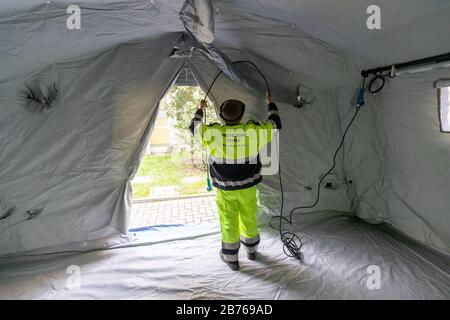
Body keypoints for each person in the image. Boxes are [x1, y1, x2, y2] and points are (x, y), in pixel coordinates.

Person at [189, 93, 282, 271]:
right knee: (249, 216)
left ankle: (231, 259)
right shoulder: (253, 132)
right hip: (248, 187)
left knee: (228, 221)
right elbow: (276, 124)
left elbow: (194, 127)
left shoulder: (212, 133)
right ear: (241, 116)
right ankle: (252, 250)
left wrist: (200, 109)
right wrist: (271, 103)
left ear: (222, 117)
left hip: (225, 190)